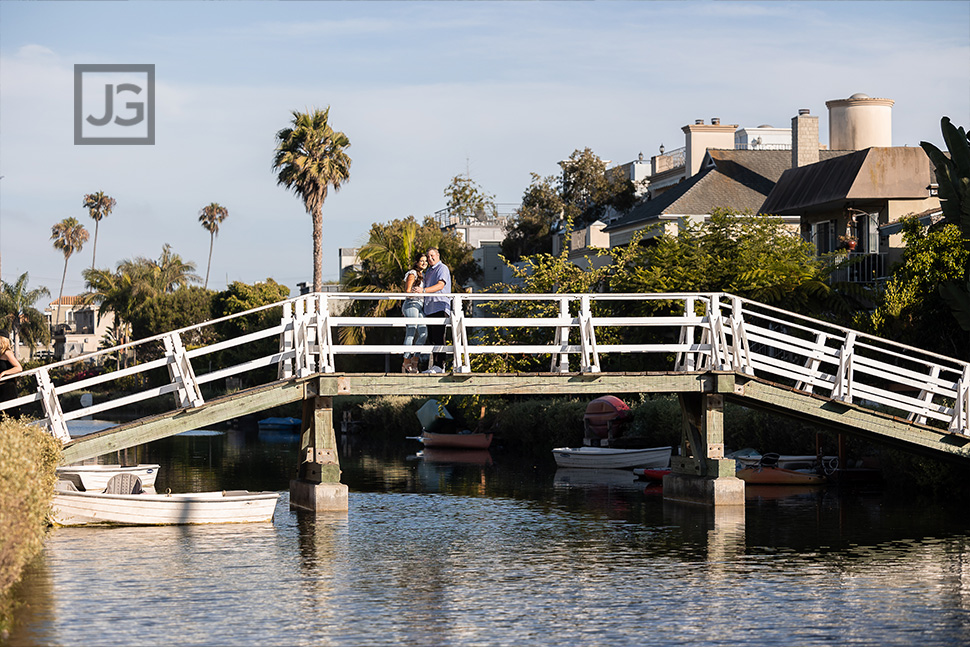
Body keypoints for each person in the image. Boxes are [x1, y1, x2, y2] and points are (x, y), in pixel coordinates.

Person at [421, 247, 452, 373]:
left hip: (439, 306)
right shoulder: (428, 271)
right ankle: (435, 366)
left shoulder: (442, 268)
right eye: (428, 256)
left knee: (439, 337)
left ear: (438, 255)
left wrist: (423, 291)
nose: (430, 258)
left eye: (432, 255)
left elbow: (441, 285)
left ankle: (441, 365)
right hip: (429, 308)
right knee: (432, 338)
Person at [401, 253, 428, 373]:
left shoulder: (424, 275)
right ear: (417, 262)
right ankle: (406, 360)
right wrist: (417, 292)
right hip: (411, 304)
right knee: (411, 332)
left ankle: (415, 359)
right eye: (422, 261)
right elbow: (407, 291)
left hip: (420, 306)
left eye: (425, 261)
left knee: (423, 333)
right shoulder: (412, 273)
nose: (424, 263)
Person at [0, 336, 23, 416]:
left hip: (8, 388)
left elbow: (19, 368)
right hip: (1, 388)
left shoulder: (7, 353)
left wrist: (4, 373)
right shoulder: (1, 354)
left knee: (10, 413)